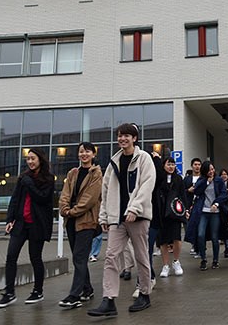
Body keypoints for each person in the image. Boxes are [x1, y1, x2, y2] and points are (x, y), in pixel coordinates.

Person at [87, 123, 156, 317]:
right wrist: (104, 216)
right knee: (111, 256)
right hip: (117, 218)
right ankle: (109, 300)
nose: (122, 139)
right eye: (119, 136)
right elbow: (106, 190)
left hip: (138, 217)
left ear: (134, 138)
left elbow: (146, 185)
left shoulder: (144, 159)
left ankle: (145, 294)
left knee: (141, 256)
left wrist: (135, 208)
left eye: (126, 135)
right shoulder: (113, 162)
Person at [0, 148, 54, 308]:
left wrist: (31, 185)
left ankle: (38, 291)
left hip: (37, 224)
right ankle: (9, 293)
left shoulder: (48, 178)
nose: (30, 162)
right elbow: (15, 199)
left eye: (33, 158)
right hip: (20, 223)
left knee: (35, 258)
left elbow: (42, 198)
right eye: (28, 159)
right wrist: (9, 219)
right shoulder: (23, 178)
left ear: (40, 159)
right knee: (11, 256)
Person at [57, 142, 103, 308]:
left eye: (87, 152)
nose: (84, 154)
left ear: (93, 154)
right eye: (81, 152)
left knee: (79, 257)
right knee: (80, 257)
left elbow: (90, 198)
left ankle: (74, 295)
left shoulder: (96, 173)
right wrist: (65, 209)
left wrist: (73, 211)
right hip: (71, 220)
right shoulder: (73, 173)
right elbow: (65, 193)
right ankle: (87, 289)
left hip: (87, 220)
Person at [184, 160, 228, 270]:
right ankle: (203, 259)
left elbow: (224, 194)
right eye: (209, 170)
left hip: (215, 212)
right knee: (200, 234)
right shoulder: (202, 180)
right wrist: (207, 182)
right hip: (203, 211)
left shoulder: (219, 181)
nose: (211, 172)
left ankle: (215, 260)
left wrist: (216, 203)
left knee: (214, 237)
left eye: (213, 169)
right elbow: (197, 191)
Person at [154, 156, 186, 278]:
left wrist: (185, 210)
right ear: (163, 165)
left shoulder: (178, 179)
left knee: (176, 238)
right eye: (168, 164)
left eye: (173, 164)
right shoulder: (160, 179)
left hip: (175, 213)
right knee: (163, 240)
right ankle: (165, 265)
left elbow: (183, 195)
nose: (171, 167)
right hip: (161, 213)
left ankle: (176, 261)